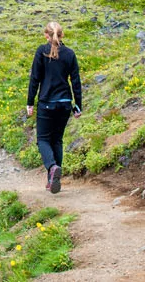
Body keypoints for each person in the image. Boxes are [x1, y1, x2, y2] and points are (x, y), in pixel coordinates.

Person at [25, 21, 82, 194]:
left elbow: (35, 78)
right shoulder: (70, 54)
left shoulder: (41, 52)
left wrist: (30, 102)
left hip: (46, 103)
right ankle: (53, 179)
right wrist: (77, 105)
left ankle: (51, 167)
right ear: (62, 35)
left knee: (43, 139)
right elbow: (76, 81)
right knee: (57, 140)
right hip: (65, 103)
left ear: (46, 36)